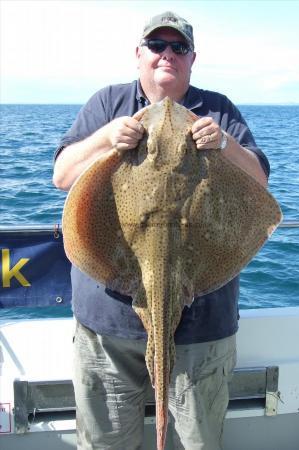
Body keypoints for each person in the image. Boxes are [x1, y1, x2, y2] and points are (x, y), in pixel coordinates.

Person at [53, 11, 269, 450]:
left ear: (192, 59)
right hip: (106, 322)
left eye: (178, 48)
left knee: (198, 441)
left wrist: (225, 145)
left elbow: (261, 184)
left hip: (202, 321)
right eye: (157, 46)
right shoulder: (107, 103)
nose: (167, 54)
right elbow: (62, 176)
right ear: (139, 55)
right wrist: (107, 138)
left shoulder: (219, 110)